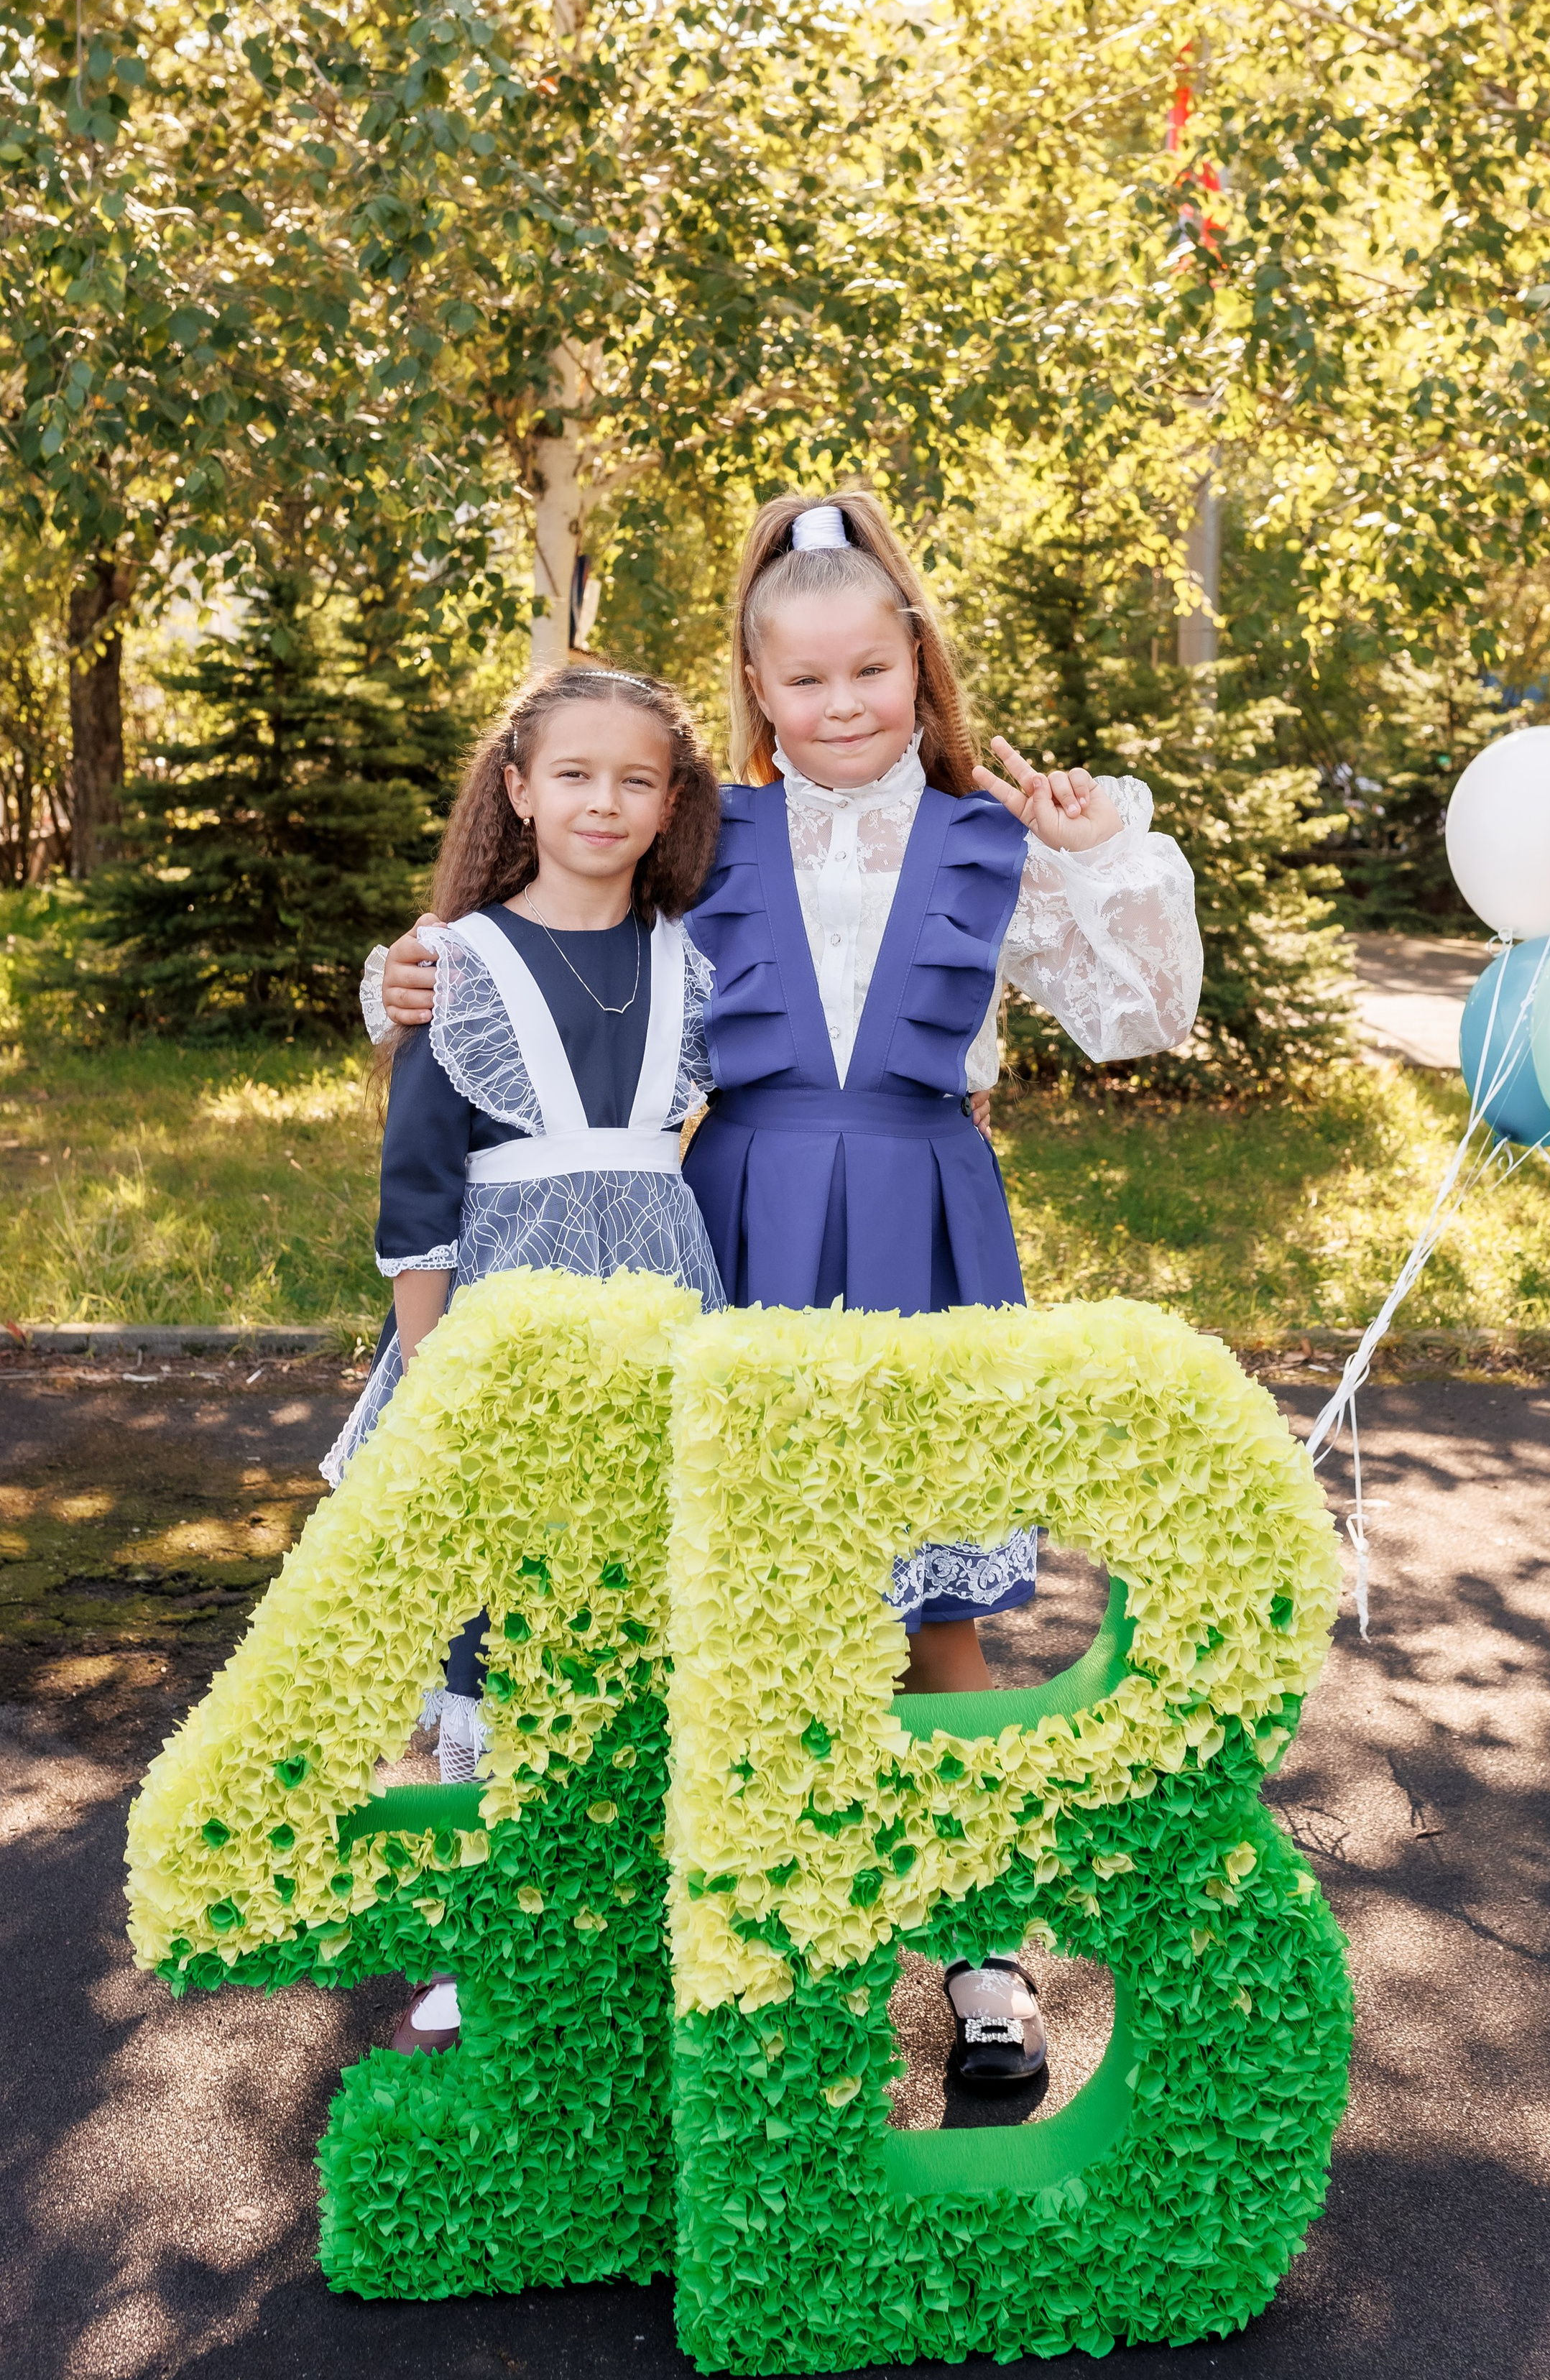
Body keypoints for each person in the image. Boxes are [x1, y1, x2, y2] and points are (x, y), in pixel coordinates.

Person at [378, 491, 1202, 2087]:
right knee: (719, 1610)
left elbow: (1141, 1019)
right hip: (733, 1227)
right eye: (800, 682)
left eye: (866, 674)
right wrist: (403, 980)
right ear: (755, 691)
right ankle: (726, 1936)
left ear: (916, 660)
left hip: (927, 1223)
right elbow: (560, 949)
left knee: (936, 1616)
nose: (838, 708)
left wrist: (1104, 847)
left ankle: (979, 1961)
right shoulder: (705, 842)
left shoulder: (994, 833)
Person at [342, 661, 725, 2052]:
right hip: (497, 1321)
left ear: (669, 799)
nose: (603, 801)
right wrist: (434, 1370)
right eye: (573, 774)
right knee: (486, 1622)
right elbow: (417, 1187)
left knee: (641, 1606)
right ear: (517, 788)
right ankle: (478, 1927)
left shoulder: (691, 954)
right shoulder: (459, 960)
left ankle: (627, 1916)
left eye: (636, 778)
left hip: (663, 1306)